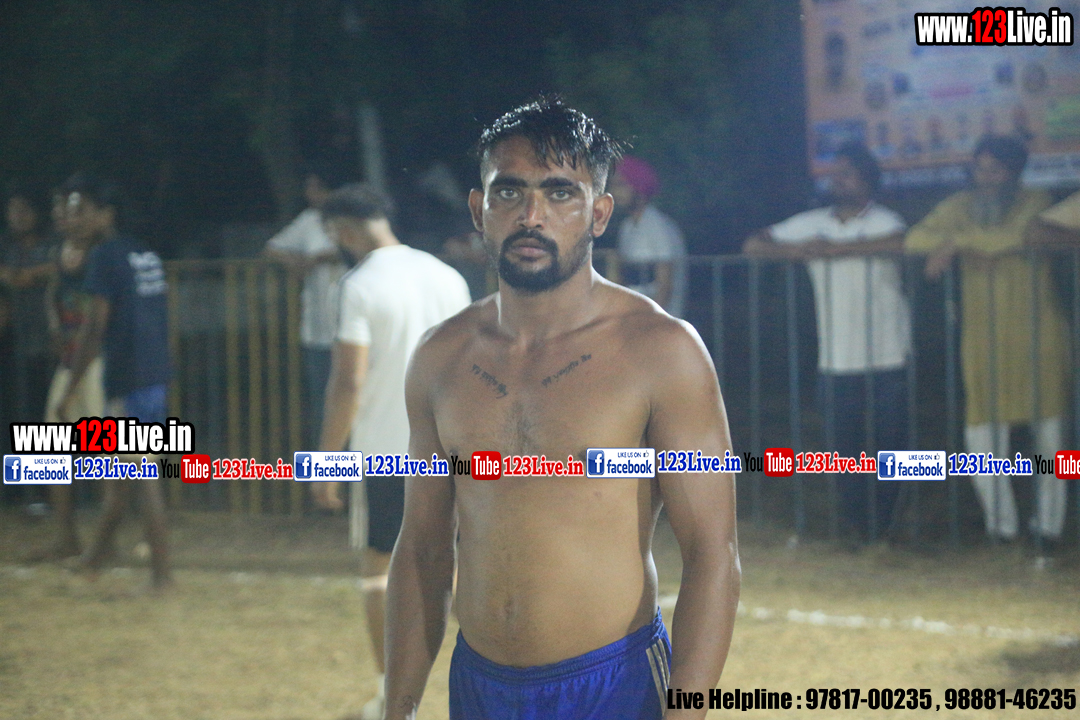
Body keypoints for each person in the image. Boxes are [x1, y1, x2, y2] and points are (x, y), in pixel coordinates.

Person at [382, 97, 740, 720]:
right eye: (509, 192)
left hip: (614, 686)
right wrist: (399, 709)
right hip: (479, 688)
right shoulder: (441, 357)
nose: (531, 216)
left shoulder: (660, 351)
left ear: (599, 213)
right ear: (479, 209)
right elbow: (422, 550)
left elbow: (713, 553)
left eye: (559, 193)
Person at [309, 184, 470, 720]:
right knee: (456, 565)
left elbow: (348, 381)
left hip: (386, 450)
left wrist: (328, 459)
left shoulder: (358, 285)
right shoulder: (446, 276)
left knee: (380, 570)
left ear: (343, 229)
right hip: (450, 446)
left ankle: (391, 696)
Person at [743, 142, 910, 546]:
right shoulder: (814, 223)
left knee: (890, 447)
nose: (837, 181)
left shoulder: (885, 219)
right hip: (836, 356)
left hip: (888, 352)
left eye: (846, 174)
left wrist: (839, 250)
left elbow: (903, 243)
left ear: (867, 180)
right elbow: (753, 245)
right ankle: (858, 528)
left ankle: (886, 526)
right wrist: (795, 250)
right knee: (843, 449)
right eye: (835, 174)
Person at [906, 136, 1068, 552]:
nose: (985, 179)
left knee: (1050, 442)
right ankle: (1002, 528)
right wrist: (958, 241)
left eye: (995, 171)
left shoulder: (1037, 202)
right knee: (981, 438)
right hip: (982, 341)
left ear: (1014, 172)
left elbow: (1022, 235)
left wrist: (958, 243)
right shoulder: (959, 206)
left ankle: (1048, 529)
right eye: (979, 170)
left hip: (1039, 338)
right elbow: (915, 239)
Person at [57, 174, 173, 589]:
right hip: (155, 372)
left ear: (106, 215)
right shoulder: (145, 252)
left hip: (128, 375)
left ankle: (162, 576)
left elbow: (93, 328)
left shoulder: (104, 256)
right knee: (124, 477)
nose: (76, 219)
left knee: (141, 477)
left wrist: (70, 388)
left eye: (84, 210)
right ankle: (94, 558)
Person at [22, 185, 108, 561]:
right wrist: (53, 323)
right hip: (70, 359)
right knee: (49, 449)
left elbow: (98, 318)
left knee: (104, 453)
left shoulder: (103, 254)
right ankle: (66, 536)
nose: (68, 218)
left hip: (97, 361)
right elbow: (53, 291)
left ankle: (105, 539)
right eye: (65, 212)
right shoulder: (62, 253)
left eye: (75, 211)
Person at [264, 168, 350, 452]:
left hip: (353, 327)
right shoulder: (309, 220)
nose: (310, 193)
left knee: (355, 401)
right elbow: (272, 247)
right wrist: (298, 262)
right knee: (322, 405)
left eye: (315, 187)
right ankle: (328, 472)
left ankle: (361, 472)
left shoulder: (352, 219)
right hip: (318, 329)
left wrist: (324, 257)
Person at [0, 183, 57, 430]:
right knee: (24, 410)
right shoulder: (6, 246)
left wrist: (31, 275)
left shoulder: (53, 242)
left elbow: (63, 266)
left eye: (24, 209)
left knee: (52, 407)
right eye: (13, 210)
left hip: (53, 339)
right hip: (17, 341)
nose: (18, 216)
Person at [607, 156, 688, 317]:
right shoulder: (627, 227)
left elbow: (665, 286)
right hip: (634, 317)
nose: (614, 192)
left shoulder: (657, 225)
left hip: (660, 320)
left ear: (638, 186)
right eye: (613, 185)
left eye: (621, 185)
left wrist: (651, 322)